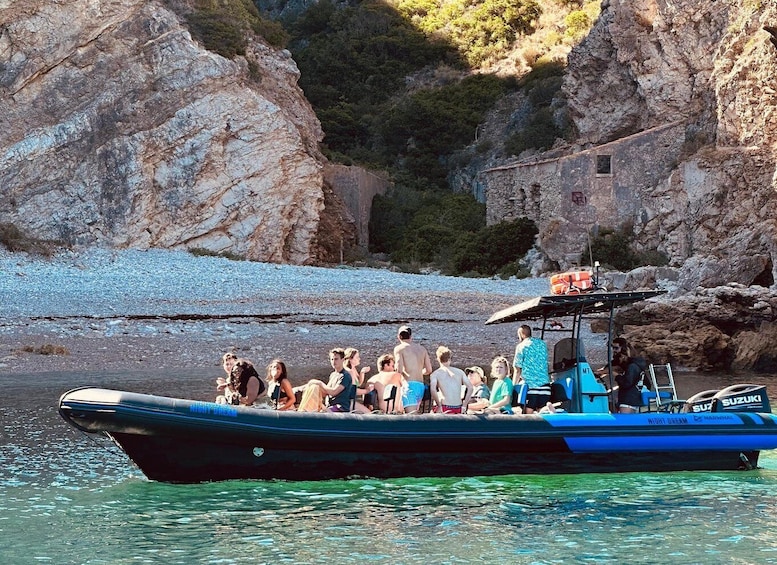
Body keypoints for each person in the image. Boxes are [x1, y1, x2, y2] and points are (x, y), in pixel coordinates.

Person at [298, 348, 354, 412]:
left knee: (321, 411)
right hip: (329, 406)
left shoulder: (345, 376)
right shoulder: (333, 375)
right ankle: (305, 410)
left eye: (336, 359)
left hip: (340, 407)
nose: (333, 362)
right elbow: (326, 391)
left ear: (343, 360)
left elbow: (333, 392)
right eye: (332, 359)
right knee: (314, 387)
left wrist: (319, 383)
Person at [393, 325, 433, 413]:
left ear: (398, 336)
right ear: (411, 336)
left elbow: (399, 370)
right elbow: (429, 370)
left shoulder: (399, 349)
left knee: (411, 416)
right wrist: (419, 371)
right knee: (415, 414)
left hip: (409, 385)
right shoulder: (422, 349)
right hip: (420, 385)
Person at [513, 324, 550, 414]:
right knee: (543, 413)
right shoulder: (542, 344)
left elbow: (517, 369)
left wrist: (513, 387)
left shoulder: (521, 346)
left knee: (528, 414)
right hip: (545, 386)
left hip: (531, 387)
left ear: (521, 334)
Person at [429, 346, 472, 414]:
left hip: (445, 406)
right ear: (450, 359)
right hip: (458, 407)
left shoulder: (435, 374)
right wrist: (464, 405)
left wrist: (439, 405)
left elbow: (433, 390)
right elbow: (470, 387)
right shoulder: (460, 372)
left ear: (438, 359)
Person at [612, 342, 649, 414]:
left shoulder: (632, 367)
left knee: (624, 421)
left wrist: (617, 376)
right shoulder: (638, 365)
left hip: (628, 400)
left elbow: (627, 383)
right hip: (635, 398)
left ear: (623, 356)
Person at [344, 347, 373, 413]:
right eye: (357, 357)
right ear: (350, 359)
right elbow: (354, 390)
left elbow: (358, 384)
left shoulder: (353, 369)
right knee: (368, 413)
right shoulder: (349, 371)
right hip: (347, 401)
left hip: (350, 400)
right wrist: (367, 391)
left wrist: (362, 373)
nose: (359, 359)